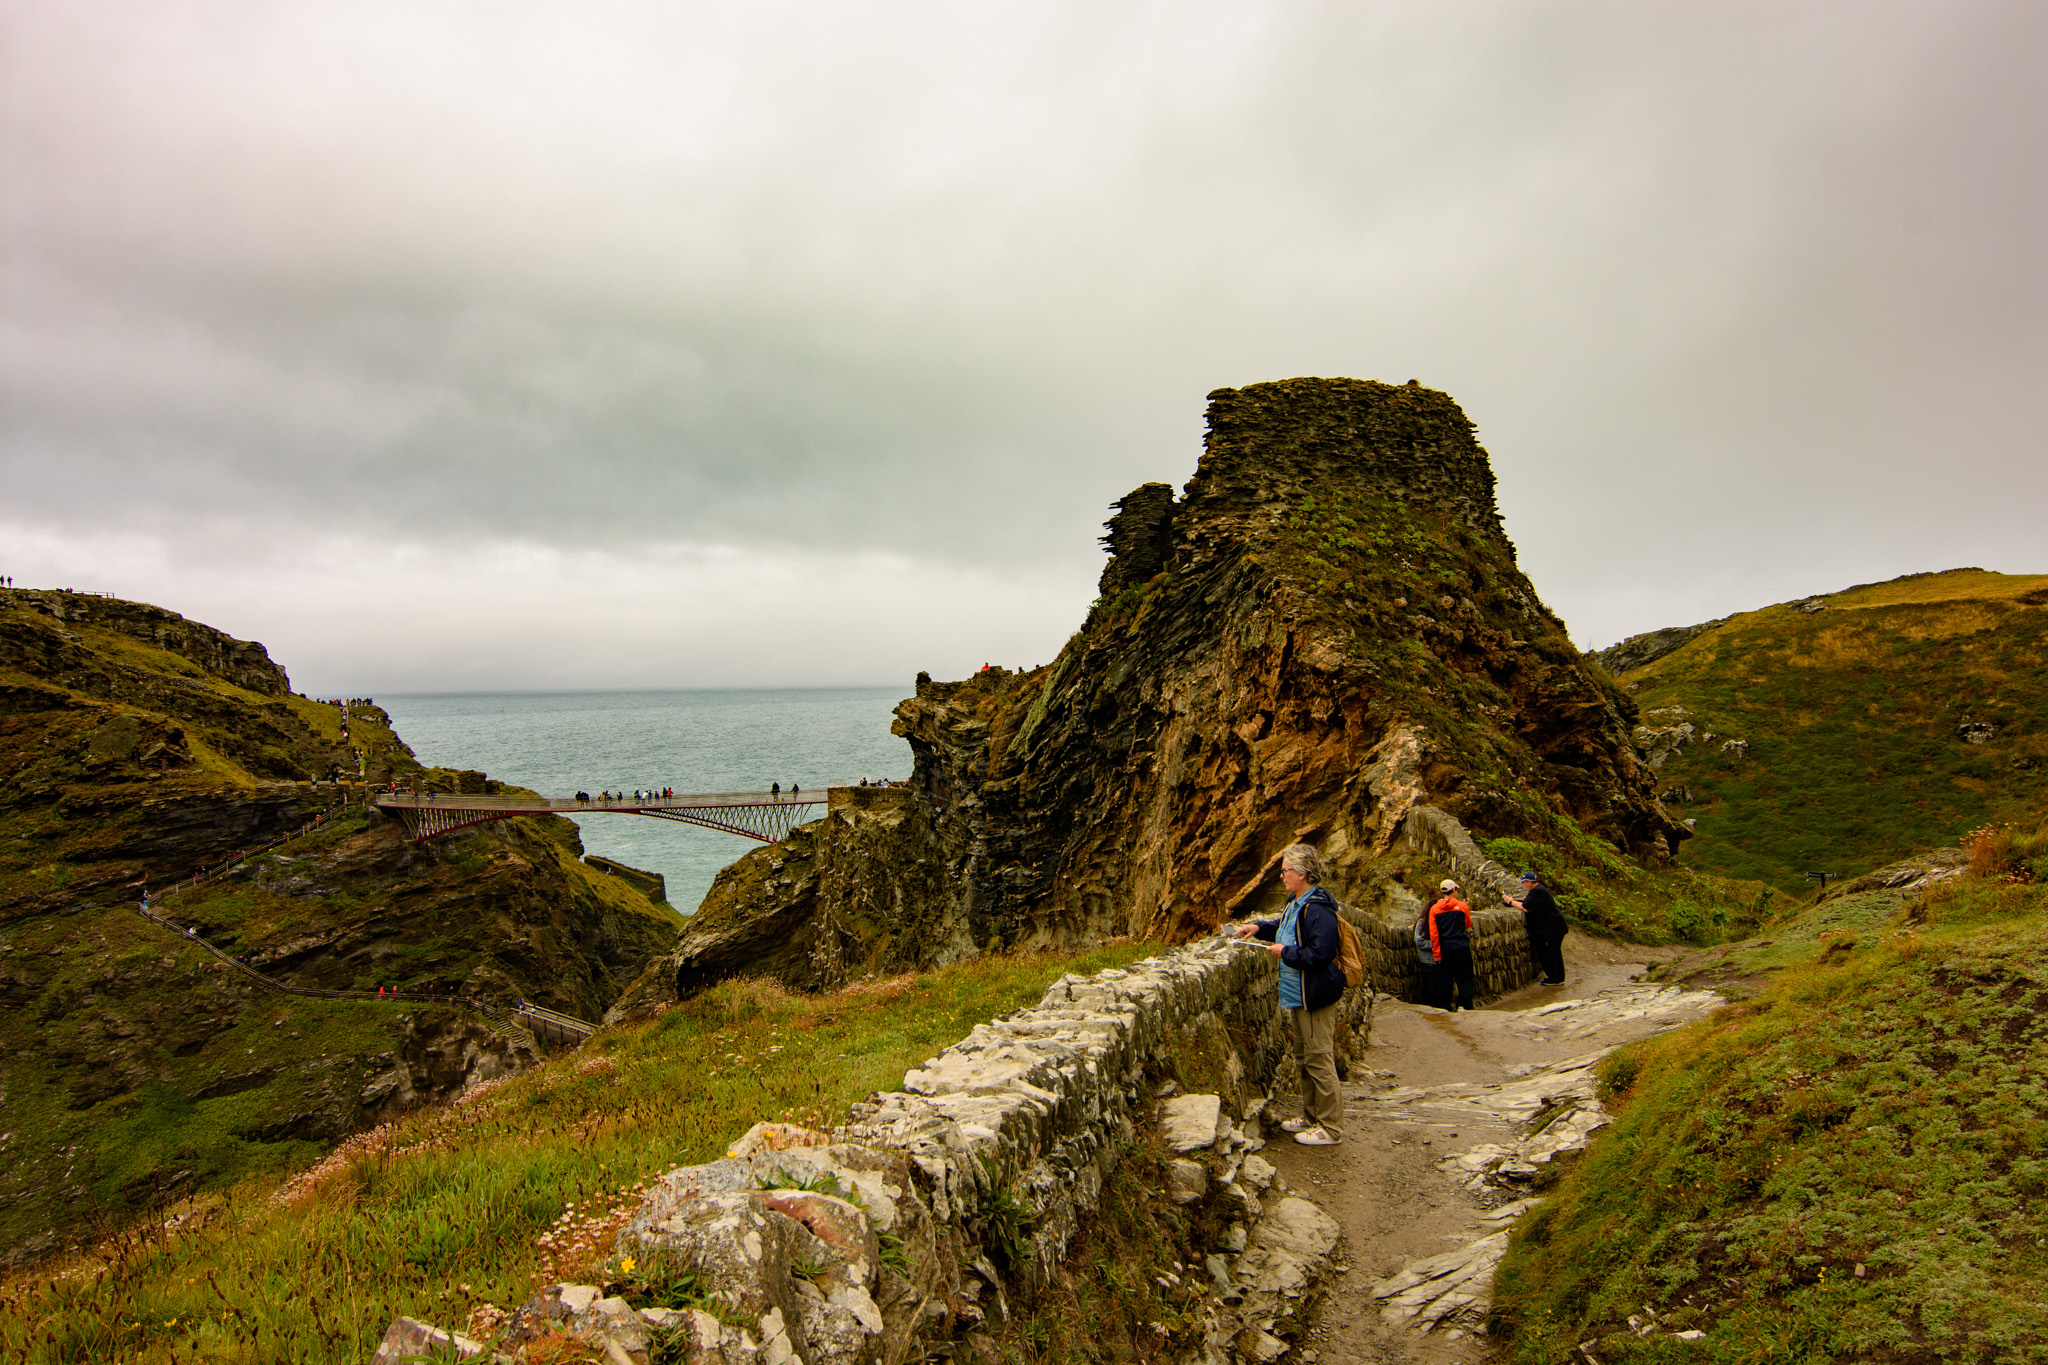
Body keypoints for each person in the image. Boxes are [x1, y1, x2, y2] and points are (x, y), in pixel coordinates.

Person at [1232, 843, 1345, 1146]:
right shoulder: (1297, 902)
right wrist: (1259, 927)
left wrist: (1287, 953)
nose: (1282, 876)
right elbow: (1285, 928)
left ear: (1304, 873)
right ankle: (1311, 1116)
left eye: (1286, 871)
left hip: (1315, 996)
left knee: (1319, 1059)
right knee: (1303, 1058)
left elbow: (1322, 953)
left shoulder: (1318, 909)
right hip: (1299, 994)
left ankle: (1330, 1128)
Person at [1503, 870, 1568, 985]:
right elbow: (1528, 903)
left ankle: (1554, 978)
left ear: (1529, 882)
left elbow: (1525, 907)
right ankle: (1558, 977)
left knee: (1548, 953)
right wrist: (1512, 902)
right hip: (1556, 927)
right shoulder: (1538, 891)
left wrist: (1511, 901)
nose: (1523, 886)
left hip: (1552, 929)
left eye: (1523, 883)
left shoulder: (1538, 892)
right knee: (1555, 953)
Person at [1427, 879, 1476, 1011]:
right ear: (1454, 890)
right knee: (1464, 978)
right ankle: (1465, 1005)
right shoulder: (1462, 907)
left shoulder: (1434, 909)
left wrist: (1437, 954)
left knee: (1445, 979)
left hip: (1445, 949)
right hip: (1461, 946)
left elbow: (1434, 934)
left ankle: (1445, 1007)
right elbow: (1467, 924)